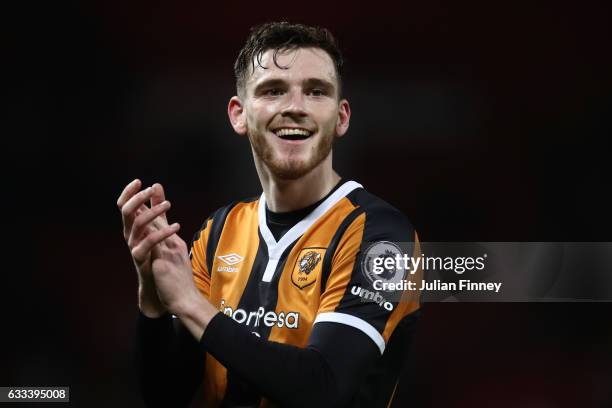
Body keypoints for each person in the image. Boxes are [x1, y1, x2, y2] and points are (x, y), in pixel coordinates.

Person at [117, 22, 421, 408]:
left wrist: (191, 305)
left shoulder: (380, 235)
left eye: (316, 91)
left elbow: (322, 387)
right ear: (238, 115)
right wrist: (155, 300)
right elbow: (164, 395)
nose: (295, 107)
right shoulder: (217, 233)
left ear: (342, 118)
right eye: (273, 90)